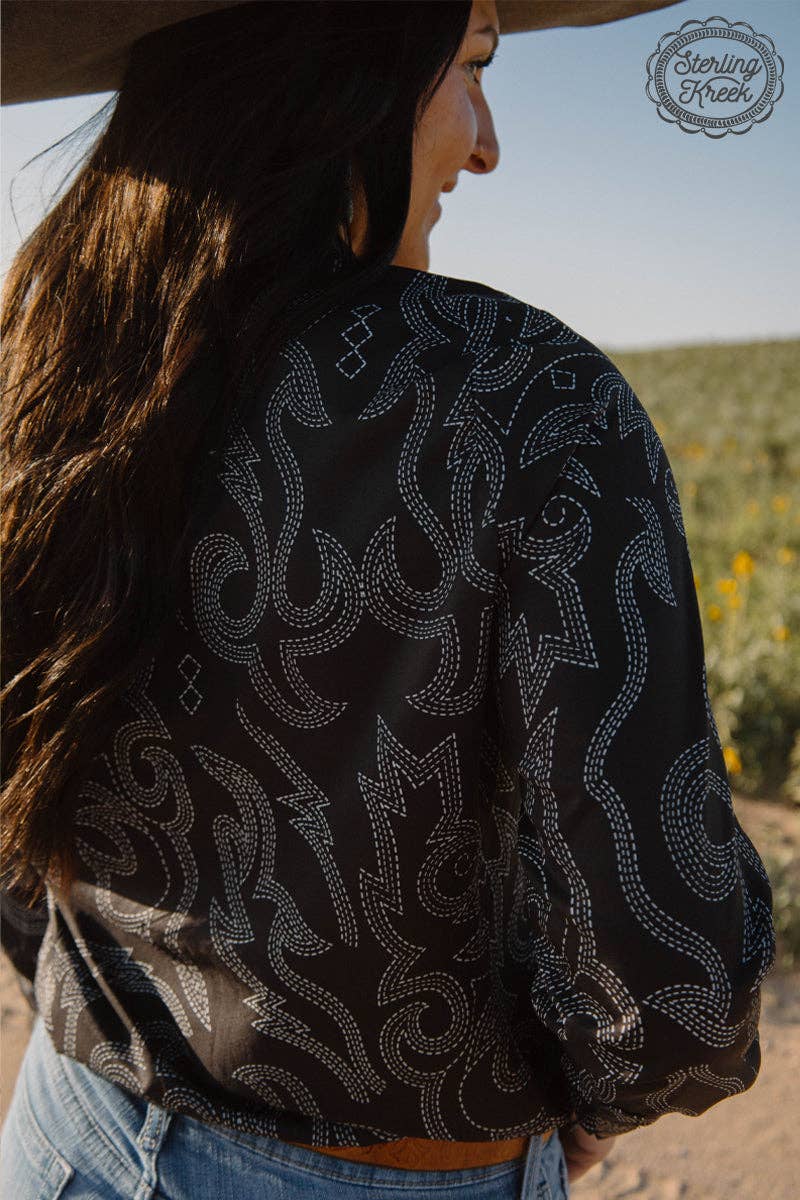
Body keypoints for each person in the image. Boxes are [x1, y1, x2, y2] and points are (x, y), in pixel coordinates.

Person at [0, 2, 775, 1197]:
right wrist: (602, 1097)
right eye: (469, 67)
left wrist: (69, 983)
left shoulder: (58, 355)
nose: (486, 145)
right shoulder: (531, 402)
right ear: (345, 72)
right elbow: (664, 957)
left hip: (70, 1126)